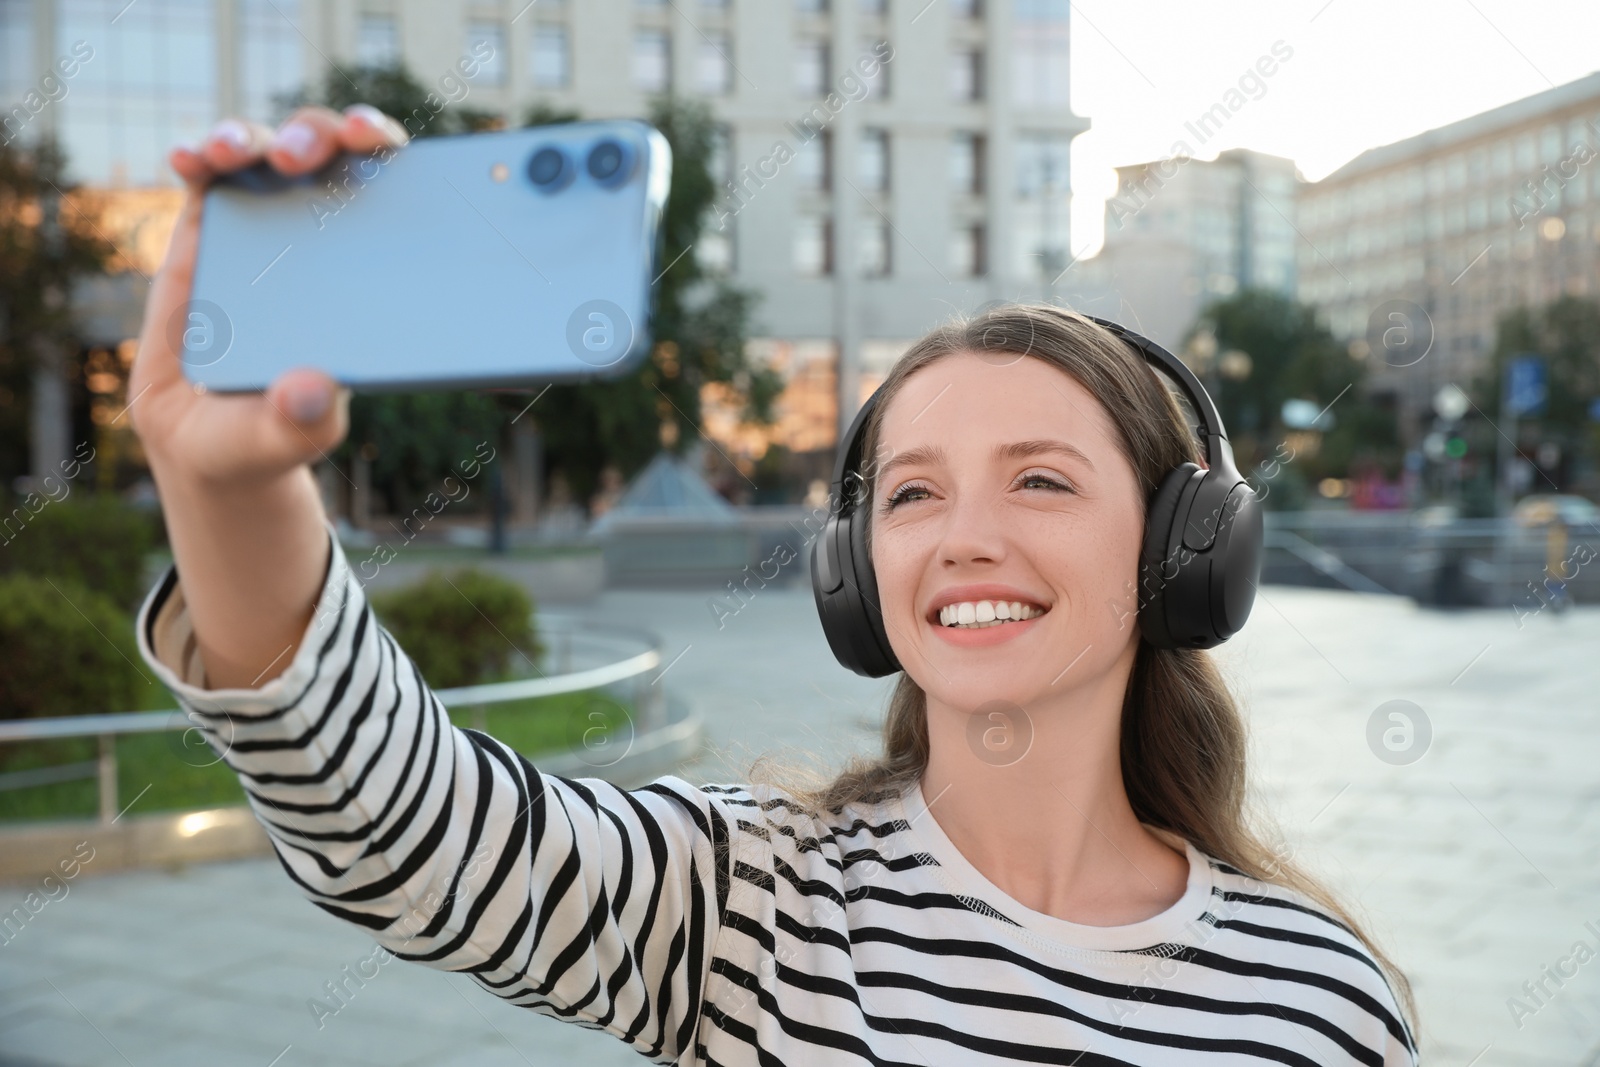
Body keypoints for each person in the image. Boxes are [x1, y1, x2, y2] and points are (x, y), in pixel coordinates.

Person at [130, 106, 1418, 1065]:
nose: (961, 538)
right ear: (858, 572)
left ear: (1184, 544)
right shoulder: (745, 896)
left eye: (1039, 481)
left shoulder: (1319, 995)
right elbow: (399, 828)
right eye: (911, 494)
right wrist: (227, 486)